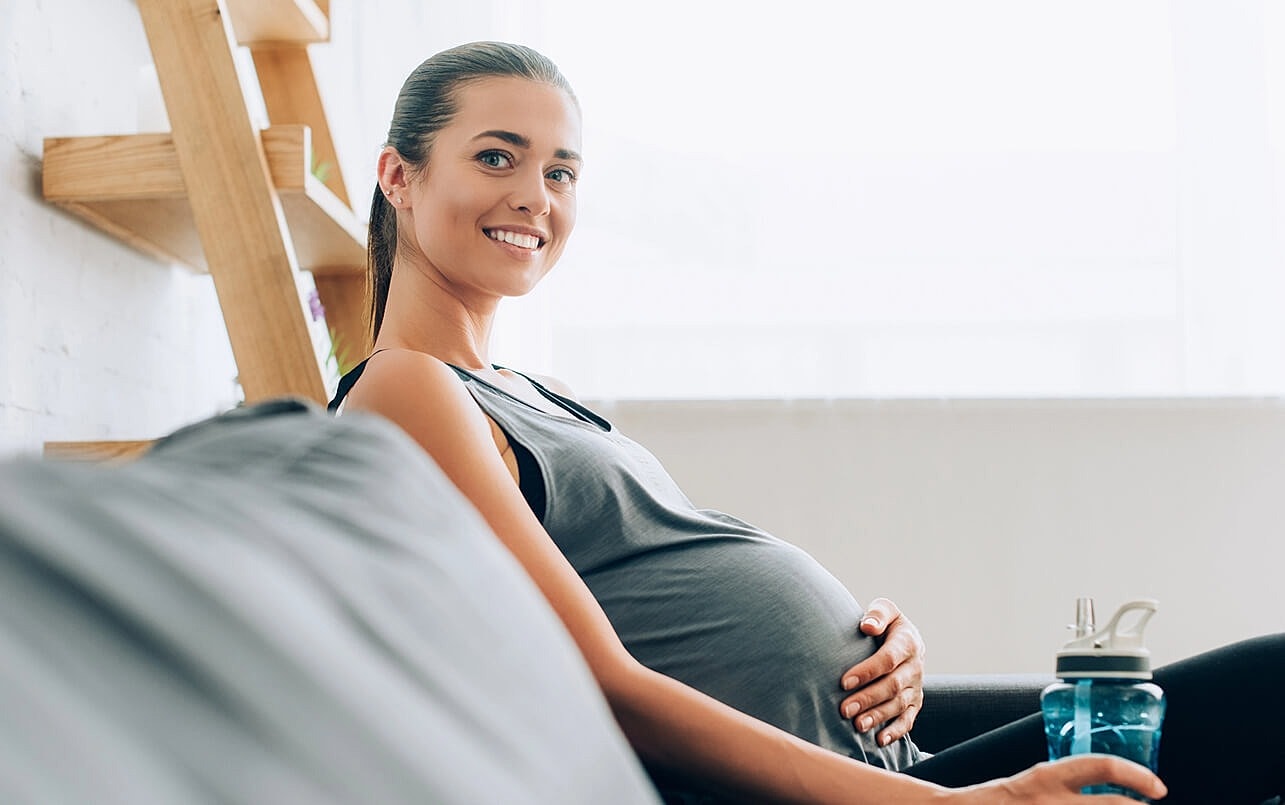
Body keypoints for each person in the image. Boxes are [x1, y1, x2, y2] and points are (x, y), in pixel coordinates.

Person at [329, 40, 1283, 804]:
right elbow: (604, 685)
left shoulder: (530, 392)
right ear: (398, 176)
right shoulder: (408, 389)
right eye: (496, 156)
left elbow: (680, 612)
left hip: (882, 761)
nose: (536, 196)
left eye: (563, 170)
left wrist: (871, 651)